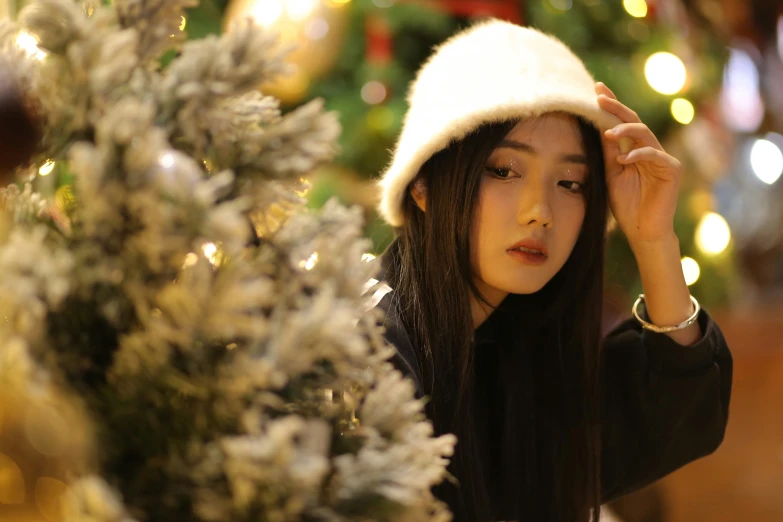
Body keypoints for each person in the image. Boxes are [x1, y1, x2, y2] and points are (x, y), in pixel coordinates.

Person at [371, 19, 732, 522]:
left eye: (570, 183)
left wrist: (654, 242)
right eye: (503, 171)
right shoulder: (369, 352)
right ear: (423, 184)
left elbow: (678, 414)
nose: (538, 210)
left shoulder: (521, 350)